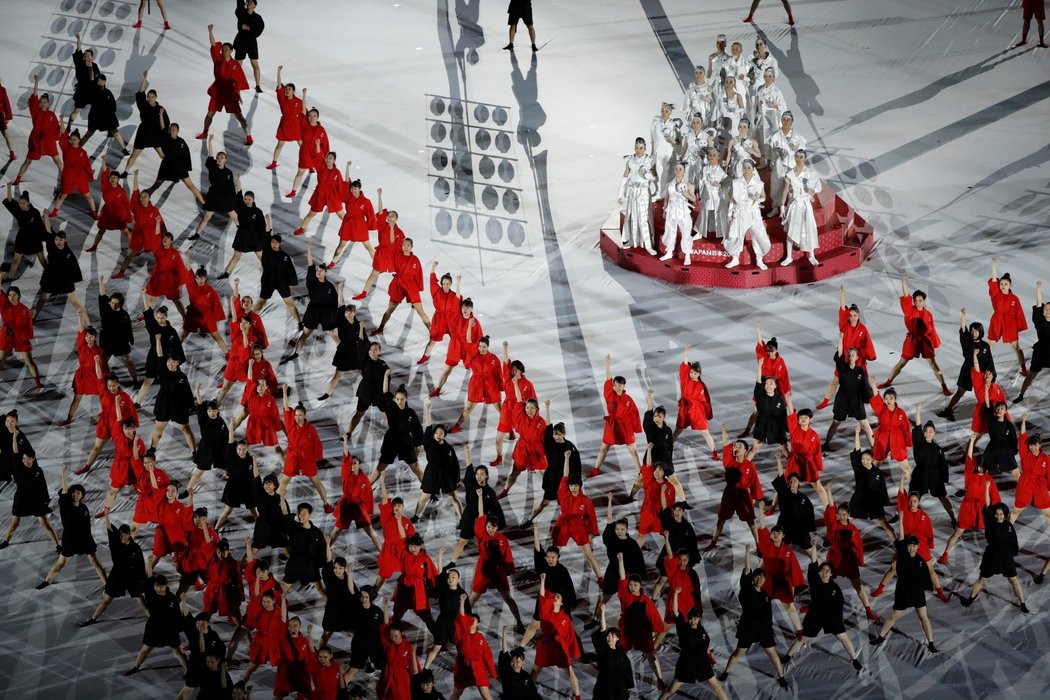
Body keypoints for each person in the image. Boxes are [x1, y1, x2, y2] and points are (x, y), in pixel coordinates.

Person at [717, 544, 788, 688]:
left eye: (762, 577)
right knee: (738, 653)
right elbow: (747, 569)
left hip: (764, 630)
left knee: (773, 654)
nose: (760, 578)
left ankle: (781, 677)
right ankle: (726, 672)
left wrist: (769, 629)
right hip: (748, 629)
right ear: (753, 578)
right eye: (757, 576)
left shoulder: (766, 595)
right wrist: (747, 552)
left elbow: (768, 614)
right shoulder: (747, 589)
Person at [780, 556, 863, 671]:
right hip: (815, 617)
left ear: (831, 574)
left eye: (827, 571)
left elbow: (839, 605)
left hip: (832, 618)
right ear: (819, 572)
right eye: (822, 570)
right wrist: (813, 549)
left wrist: (837, 621)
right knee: (802, 639)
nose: (824, 573)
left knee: (844, 638)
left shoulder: (835, 587)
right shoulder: (814, 582)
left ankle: (854, 659)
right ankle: (788, 656)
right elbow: (813, 564)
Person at [36, 465, 107, 589]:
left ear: (82, 495)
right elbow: (64, 489)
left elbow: (87, 526)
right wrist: (62, 472)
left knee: (95, 562)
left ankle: (107, 585)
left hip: (85, 539)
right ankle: (48, 580)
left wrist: (90, 540)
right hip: (70, 539)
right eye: (73, 492)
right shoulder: (65, 504)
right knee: (61, 562)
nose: (75, 494)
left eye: (78, 493)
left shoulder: (84, 508)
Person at [879, 276, 951, 393]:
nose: (918, 302)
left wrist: (934, 343)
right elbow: (906, 296)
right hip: (912, 340)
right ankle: (888, 381)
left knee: (933, 364)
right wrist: (903, 282)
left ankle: (944, 386)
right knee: (901, 363)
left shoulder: (928, 314)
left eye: (920, 300)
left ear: (924, 301)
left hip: (925, 340)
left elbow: (932, 330)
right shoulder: (910, 310)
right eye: (916, 301)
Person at [871, 531, 940, 653]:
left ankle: (931, 643)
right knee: (893, 617)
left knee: (924, 618)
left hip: (917, 593)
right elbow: (901, 539)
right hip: (903, 593)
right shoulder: (902, 555)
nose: (912, 548)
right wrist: (901, 520)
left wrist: (926, 588)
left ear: (918, 547)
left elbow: (925, 577)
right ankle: (881, 637)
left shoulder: (921, 561)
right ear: (906, 546)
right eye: (909, 545)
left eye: (914, 546)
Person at [823, 484, 882, 623]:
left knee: (859, 586)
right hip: (835, 559)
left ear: (849, 516)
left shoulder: (853, 529)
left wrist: (858, 561)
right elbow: (831, 507)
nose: (842, 516)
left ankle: (868, 610)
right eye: (840, 514)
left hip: (848, 561)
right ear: (837, 515)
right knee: (824, 583)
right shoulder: (834, 524)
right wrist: (829, 491)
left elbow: (858, 547)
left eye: (845, 514)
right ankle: (815, 605)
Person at [79, 510, 148, 625]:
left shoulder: (135, 548)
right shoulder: (115, 542)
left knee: (139, 597)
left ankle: (150, 617)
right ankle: (93, 618)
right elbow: (109, 526)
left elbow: (141, 564)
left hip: (132, 576)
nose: (122, 537)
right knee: (107, 599)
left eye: (124, 535)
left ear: (129, 534)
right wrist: (106, 515)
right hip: (117, 575)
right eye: (120, 534)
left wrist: (142, 579)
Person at [959, 502, 1029, 613]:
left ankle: (1023, 604)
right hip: (992, 557)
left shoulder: (1009, 525)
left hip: (1006, 557)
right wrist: (987, 488)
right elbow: (987, 506)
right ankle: (970, 599)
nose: (999, 516)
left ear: (1005, 514)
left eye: (1001, 514)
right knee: (981, 579)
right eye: (997, 514)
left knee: (1014, 581)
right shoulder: (990, 523)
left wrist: (1012, 553)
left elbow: (1013, 540)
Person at [657, 593, 726, 700]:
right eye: (691, 618)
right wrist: (675, 595)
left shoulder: (701, 629)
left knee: (717, 687)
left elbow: (706, 643)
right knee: (670, 690)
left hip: (702, 663)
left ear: (699, 619)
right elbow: (676, 612)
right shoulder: (683, 627)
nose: (692, 621)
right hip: (686, 665)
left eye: (695, 619)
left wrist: (709, 656)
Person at [526, 574, 582, 700]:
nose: (555, 597)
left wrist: (571, 651)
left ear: (562, 602)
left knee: (571, 673)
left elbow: (570, 636)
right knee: (535, 670)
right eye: (554, 596)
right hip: (545, 646)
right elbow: (541, 598)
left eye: (558, 596)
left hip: (560, 648)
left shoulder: (565, 618)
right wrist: (542, 581)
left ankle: (578, 697)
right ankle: (527, 691)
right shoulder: (545, 612)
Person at [706, 426, 762, 550]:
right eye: (735, 446)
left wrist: (755, 498)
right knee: (721, 520)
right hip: (729, 494)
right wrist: (724, 431)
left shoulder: (750, 466)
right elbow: (726, 445)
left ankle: (759, 546)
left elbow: (754, 482)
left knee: (751, 523)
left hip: (743, 496)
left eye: (739, 447)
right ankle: (713, 543)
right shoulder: (729, 462)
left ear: (746, 451)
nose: (736, 448)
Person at [124, 575, 189, 677]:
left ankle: (189, 672)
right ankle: (136, 667)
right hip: (154, 628)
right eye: (156, 586)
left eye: (161, 586)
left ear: (165, 586)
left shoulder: (171, 598)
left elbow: (177, 614)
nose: (158, 589)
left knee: (179, 652)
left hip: (170, 629)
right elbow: (148, 581)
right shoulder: (150, 594)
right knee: (145, 650)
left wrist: (178, 626)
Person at [197, 24, 252, 143]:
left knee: (240, 117)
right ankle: (205, 132)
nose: (225, 50)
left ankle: (249, 137)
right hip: (218, 91)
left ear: (231, 51)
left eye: (227, 49)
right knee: (209, 114)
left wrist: (238, 94)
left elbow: (238, 81)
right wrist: (210, 31)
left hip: (230, 93)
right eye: (223, 49)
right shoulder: (218, 59)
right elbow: (213, 44)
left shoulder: (235, 65)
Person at [279, 389, 333, 511]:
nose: (297, 417)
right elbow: (286, 407)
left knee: (316, 481)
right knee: (284, 482)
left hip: (306, 457)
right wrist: (283, 391)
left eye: (300, 415)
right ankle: (274, 505)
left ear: (305, 416)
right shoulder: (290, 424)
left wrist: (315, 458)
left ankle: (326, 505)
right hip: (293, 455)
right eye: (296, 415)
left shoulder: (311, 429)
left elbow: (317, 445)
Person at [470, 513, 525, 630]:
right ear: (485, 526)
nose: (490, 529)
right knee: (474, 597)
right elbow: (480, 518)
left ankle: (519, 622)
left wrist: (509, 570)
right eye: (488, 526)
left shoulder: (502, 539)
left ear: (497, 527)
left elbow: (507, 556)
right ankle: (463, 619)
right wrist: (480, 497)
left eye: (493, 527)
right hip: (483, 569)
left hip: (497, 570)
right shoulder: (481, 535)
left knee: (508, 598)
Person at [590, 354, 643, 476]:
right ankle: (596, 469)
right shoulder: (609, 394)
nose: (617, 387)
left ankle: (640, 472)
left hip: (625, 426)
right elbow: (608, 377)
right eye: (615, 385)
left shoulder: (628, 399)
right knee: (603, 449)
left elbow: (635, 414)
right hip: (612, 425)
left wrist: (635, 428)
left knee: (633, 451)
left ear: (624, 386)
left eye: (620, 385)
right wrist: (607, 363)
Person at [288, 243, 341, 361]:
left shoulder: (329, 286)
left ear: (325, 273)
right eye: (318, 270)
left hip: (327, 313)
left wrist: (333, 315)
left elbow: (335, 302)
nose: (318, 272)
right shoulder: (311, 281)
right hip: (313, 311)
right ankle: (296, 354)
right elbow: (310, 264)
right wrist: (308, 250)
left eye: (321, 271)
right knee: (305, 335)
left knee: (335, 336)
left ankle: (342, 355)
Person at [822, 334, 874, 451]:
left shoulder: (860, 370)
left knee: (865, 425)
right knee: (835, 423)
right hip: (843, 400)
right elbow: (839, 353)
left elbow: (865, 387)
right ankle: (826, 444)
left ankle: (874, 447)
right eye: (849, 355)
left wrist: (872, 398)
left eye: (853, 355)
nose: (850, 357)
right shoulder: (842, 367)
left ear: (857, 357)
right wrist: (841, 338)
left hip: (856, 401)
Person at [329, 436, 382, 549]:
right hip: (346, 506)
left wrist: (368, 511)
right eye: (351, 463)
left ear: (359, 464)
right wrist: (345, 442)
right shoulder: (346, 473)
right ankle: (325, 554)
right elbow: (346, 455)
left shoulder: (364, 480)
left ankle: (383, 554)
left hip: (359, 508)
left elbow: (369, 496)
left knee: (371, 533)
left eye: (355, 463)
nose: (353, 465)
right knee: (335, 532)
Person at [0, 449, 58, 550]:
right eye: (24, 459)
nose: (25, 461)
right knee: (14, 523)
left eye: (28, 459)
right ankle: (6, 541)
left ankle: (58, 546)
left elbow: (43, 485)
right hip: (21, 499)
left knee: (45, 523)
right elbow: (14, 454)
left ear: (33, 459)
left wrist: (46, 500)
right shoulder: (18, 469)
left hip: (35, 499)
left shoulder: (38, 470)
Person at [10, 76, 62, 187]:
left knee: (58, 161)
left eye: (45, 102)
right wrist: (36, 82)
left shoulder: (51, 114)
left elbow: (57, 128)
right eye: (41, 102)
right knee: (27, 161)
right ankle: (17, 179)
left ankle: (66, 179)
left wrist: (57, 135)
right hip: (37, 141)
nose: (43, 104)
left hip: (48, 141)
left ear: (48, 103)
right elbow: (34, 96)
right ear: (39, 103)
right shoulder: (35, 112)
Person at [373, 238, 431, 336]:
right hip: (398, 283)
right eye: (404, 245)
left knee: (420, 311)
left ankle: (431, 331)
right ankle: (381, 327)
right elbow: (389, 258)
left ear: (412, 247)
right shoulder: (397, 255)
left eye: (408, 245)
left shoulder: (415, 260)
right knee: (390, 309)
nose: (406, 247)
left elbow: (419, 274)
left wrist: (418, 289)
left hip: (410, 285)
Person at [909, 405, 956, 526]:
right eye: (926, 431)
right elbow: (918, 426)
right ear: (923, 433)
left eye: (931, 431)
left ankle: (953, 518)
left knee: (943, 498)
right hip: (921, 474)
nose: (928, 433)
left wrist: (944, 479)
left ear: (934, 433)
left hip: (935, 476)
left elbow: (943, 465)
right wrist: (918, 411)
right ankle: (915, 520)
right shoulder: (919, 442)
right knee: (914, 498)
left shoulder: (938, 449)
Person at [112, 173, 164, 279]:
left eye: (145, 197)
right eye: (142, 196)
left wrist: (164, 239)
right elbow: (136, 190)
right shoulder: (137, 206)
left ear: (149, 198)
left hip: (151, 235)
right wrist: (136, 177)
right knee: (129, 254)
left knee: (157, 256)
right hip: (138, 233)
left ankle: (160, 275)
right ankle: (121, 272)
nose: (143, 198)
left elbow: (161, 225)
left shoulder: (154, 211)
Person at [372, 380, 425, 484]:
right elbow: (385, 394)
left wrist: (418, 445)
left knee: (417, 469)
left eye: (401, 399)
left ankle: (430, 492)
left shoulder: (411, 412)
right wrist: (386, 376)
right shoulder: (391, 407)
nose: (399, 401)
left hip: (406, 442)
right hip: (391, 441)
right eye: (397, 399)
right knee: (380, 467)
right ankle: (366, 488)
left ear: (406, 399)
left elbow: (417, 429)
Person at [847, 426, 895, 540]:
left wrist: (884, 502)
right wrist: (857, 433)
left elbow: (883, 489)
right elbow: (857, 450)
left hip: (874, 502)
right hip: (859, 500)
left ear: (873, 459)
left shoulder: (878, 473)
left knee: (884, 524)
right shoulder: (858, 468)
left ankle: (898, 546)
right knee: (846, 521)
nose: (864, 461)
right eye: (863, 459)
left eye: (867, 459)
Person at [416, 403, 462, 519]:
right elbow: (428, 425)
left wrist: (456, 479)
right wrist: (427, 409)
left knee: (454, 497)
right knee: (423, 497)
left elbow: (455, 465)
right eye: (436, 433)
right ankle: (416, 516)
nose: (438, 434)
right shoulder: (429, 443)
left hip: (446, 475)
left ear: (444, 435)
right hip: (432, 474)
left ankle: (461, 519)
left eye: (441, 433)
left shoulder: (449, 448)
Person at [56, 316, 104, 426]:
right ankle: (69, 419)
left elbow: (102, 367)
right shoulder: (82, 345)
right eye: (87, 336)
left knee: (101, 398)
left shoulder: (99, 351)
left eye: (90, 337)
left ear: (95, 338)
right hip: (81, 376)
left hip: (94, 376)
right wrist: (79, 317)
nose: (87, 338)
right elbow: (81, 330)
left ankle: (107, 417)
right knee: (76, 398)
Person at [778, 150, 821, 266]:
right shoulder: (790, 174)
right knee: (791, 230)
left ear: (805, 159)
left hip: (805, 204)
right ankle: (789, 257)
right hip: (794, 205)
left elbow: (817, 188)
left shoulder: (810, 173)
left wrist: (811, 191)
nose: (798, 159)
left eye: (801, 157)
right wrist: (782, 207)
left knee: (809, 228)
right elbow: (785, 191)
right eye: (797, 156)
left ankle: (811, 255)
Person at [191, 138, 239, 240]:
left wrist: (234, 199)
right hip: (214, 197)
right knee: (206, 218)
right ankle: (197, 234)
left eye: (222, 157)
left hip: (226, 198)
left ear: (225, 160)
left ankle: (243, 231)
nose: (219, 159)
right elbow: (210, 155)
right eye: (218, 157)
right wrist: (209, 142)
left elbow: (231, 187)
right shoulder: (212, 167)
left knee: (234, 217)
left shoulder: (228, 172)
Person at [145, 123, 205, 206]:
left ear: (177, 131)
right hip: (166, 166)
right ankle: (145, 198)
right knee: (156, 184)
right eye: (170, 130)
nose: (171, 132)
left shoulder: (181, 142)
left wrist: (187, 167)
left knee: (190, 186)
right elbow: (155, 142)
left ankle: (204, 204)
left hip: (180, 168)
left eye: (173, 130)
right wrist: (160, 153)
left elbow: (187, 155)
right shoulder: (165, 138)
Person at [725, 159, 770, 269]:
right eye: (744, 167)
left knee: (759, 234)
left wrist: (757, 199)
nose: (746, 170)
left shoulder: (759, 183)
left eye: (749, 168)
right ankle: (735, 258)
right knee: (736, 234)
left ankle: (759, 258)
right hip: (740, 212)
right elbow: (732, 199)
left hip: (753, 212)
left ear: (753, 169)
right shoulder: (736, 182)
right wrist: (729, 213)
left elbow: (763, 197)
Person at [123, 71, 170, 175]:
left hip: (156, 135)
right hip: (143, 134)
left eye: (152, 97)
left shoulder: (160, 109)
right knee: (134, 155)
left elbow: (165, 126)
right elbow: (140, 93)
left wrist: (161, 115)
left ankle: (174, 174)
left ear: (156, 97)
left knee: (163, 156)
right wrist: (144, 78)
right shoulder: (144, 105)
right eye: (148, 96)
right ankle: (125, 172)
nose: (150, 98)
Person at [987, 257, 1029, 374]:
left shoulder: (1015, 299)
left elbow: (1019, 313)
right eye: (1001, 284)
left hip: (1009, 323)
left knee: (1016, 347)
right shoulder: (996, 294)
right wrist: (994, 265)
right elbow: (994, 280)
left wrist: (1017, 327)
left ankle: (1024, 368)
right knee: (991, 345)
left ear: (1010, 285)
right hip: (997, 320)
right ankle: (985, 367)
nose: (1003, 286)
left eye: (1006, 284)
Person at [450, 599, 498, 700]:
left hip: (477, 667)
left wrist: (492, 672)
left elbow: (487, 656)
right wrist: (462, 602)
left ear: (478, 624)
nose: (471, 621)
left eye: (473, 620)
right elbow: (461, 618)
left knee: (486, 695)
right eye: (470, 620)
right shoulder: (462, 635)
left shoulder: (481, 638)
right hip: (463, 668)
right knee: (456, 694)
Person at [149, 354, 196, 453]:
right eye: (169, 361)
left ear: (178, 363)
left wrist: (192, 406)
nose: (170, 364)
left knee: (186, 430)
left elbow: (188, 392)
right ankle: (152, 448)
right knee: (158, 431)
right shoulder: (162, 372)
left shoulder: (183, 376)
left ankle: (194, 452)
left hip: (179, 406)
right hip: (164, 406)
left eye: (173, 362)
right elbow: (167, 385)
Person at [3, 186, 50, 283]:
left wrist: (45, 237)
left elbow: (40, 226)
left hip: (35, 237)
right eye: (20, 203)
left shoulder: (35, 212)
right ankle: (10, 277)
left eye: (23, 203)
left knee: (42, 259)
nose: (21, 205)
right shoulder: (18, 210)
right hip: (22, 237)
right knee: (16, 260)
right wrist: (8, 187)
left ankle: (51, 275)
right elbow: (10, 201)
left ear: (28, 203)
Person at [617, 137, 657, 253]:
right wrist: (620, 194)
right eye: (636, 148)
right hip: (632, 192)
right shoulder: (630, 161)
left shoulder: (650, 160)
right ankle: (631, 240)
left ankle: (648, 244)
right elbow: (625, 177)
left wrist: (646, 175)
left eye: (641, 148)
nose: (638, 150)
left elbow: (655, 177)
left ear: (645, 148)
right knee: (631, 216)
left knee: (643, 218)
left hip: (643, 192)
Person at [253, 234, 302, 326]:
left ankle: (299, 323)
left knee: (289, 303)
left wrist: (292, 283)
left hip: (282, 282)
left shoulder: (285, 256)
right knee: (261, 302)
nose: (274, 244)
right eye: (272, 242)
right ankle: (249, 320)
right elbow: (265, 236)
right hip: (268, 281)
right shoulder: (266, 252)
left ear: (280, 244)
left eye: (276, 242)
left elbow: (290, 270)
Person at [1010, 415, 1050, 525]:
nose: (1032, 448)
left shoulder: (1046, 458)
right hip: (1025, 483)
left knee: (1048, 513)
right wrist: (1023, 421)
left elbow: (1049, 475)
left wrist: (1048, 488)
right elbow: (1023, 436)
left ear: (1039, 445)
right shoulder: (1025, 454)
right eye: (1031, 445)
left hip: (1040, 486)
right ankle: (1008, 527)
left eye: (1035, 445)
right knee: (1016, 510)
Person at [293, 152, 346, 236]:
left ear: (334, 160)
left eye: (330, 158)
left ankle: (350, 228)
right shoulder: (321, 167)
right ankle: (302, 228)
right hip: (320, 194)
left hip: (332, 195)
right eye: (327, 158)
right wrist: (317, 146)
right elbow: (317, 156)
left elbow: (340, 186)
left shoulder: (337, 172)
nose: (328, 160)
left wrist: (342, 199)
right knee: (311, 213)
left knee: (341, 215)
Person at [282, 503, 329, 596]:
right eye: (300, 513)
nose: (301, 516)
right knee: (284, 588)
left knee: (320, 589)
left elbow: (321, 550)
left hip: (310, 566)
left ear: (309, 515)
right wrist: (281, 496)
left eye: (304, 513)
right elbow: (285, 514)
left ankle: (333, 608)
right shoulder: (294, 527)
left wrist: (320, 564)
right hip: (295, 564)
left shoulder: (316, 532)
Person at [49, 130, 97, 219]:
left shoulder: (83, 152)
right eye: (71, 139)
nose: (73, 141)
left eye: (75, 139)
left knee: (88, 195)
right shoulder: (66, 148)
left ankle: (94, 212)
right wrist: (62, 120)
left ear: (79, 140)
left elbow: (87, 165)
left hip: (80, 177)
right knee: (62, 195)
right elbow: (63, 135)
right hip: (69, 176)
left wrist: (89, 176)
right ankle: (55, 212)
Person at [87, 164, 133, 253]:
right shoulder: (105, 186)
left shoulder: (121, 191)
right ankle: (94, 246)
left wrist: (128, 218)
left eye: (115, 177)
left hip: (118, 214)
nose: (113, 179)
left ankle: (134, 249)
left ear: (118, 179)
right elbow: (104, 173)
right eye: (111, 177)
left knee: (126, 231)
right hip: (107, 213)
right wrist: (103, 161)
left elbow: (127, 205)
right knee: (101, 231)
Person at [221, 194, 270, 279]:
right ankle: (227, 273)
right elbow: (237, 196)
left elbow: (262, 226)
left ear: (253, 199)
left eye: (249, 199)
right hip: (242, 236)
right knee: (236, 255)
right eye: (245, 199)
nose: (247, 201)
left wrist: (264, 238)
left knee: (261, 256)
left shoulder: (258, 212)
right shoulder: (241, 209)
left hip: (254, 237)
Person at [765, 112, 805, 216]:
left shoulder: (797, 137)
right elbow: (770, 150)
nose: (786, 122)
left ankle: (791, 209)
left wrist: (795, 149)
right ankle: (775, 208)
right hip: (778, 166)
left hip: (792, 166)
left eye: (788, 120)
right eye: (784, 119)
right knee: (776, 187)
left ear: (792, 121)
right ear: (781, 121)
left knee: (792, 187)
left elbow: (803, 153)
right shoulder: (775, 135)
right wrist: (769, 162)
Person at [593, 603, 635, 700]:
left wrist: (627, 684)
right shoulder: (603, 649)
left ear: (617, 639)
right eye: (608, 636)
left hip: (619, 687)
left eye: (613, 636)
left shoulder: (620, 651)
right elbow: (603, 629)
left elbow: (627, 666)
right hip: (605, 686)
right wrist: (603, 612)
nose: (610, 638)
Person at [657, 161, 696, 265]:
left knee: (686, 231)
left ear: (684, 171)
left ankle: (687, 255)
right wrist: (665, 209)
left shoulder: (688, 184)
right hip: (671, 210)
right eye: (676, 169)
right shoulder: (670, 184)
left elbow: (694, 198)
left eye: (680, 169)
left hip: (683, 211)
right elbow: (667, 197)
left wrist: (685, 194)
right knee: (670, 230)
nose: (678, 171)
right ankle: (669, 251)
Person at [285, 104, 328, 197]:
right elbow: (297, 133)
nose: (311, 118)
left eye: (314, 116)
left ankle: (323, 193)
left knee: (322, 175)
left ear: (318, 117)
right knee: (300, 172)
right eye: (310, 116)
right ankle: (293, 191)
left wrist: (325, 157)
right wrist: (300, 142)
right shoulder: (304, 125)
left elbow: (325, 144)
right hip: (305, 153)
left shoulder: (321, 130)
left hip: (317, 155)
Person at [1016, 280, 1048, 401]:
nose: (1048, 310)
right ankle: (1021, 395)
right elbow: (1039, 306)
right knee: (1031, 376)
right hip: (1040, 353)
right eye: (1047, 308)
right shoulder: (1040, 321)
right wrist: (1038, 289)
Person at [751, 360, 789, 462]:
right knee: (753, 449)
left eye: (771, 383)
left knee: (785, 450)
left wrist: (787, 428)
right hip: (761, 426)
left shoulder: (780, 399)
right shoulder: (759, 395)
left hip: (777, 427)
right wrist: (759, 366)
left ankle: (794, 467)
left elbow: (784, 415)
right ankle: (741, 468)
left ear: (775, 386)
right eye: (767, 383)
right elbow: (758, 380)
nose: (768, 385)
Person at [266, 66, 303, 170]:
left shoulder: (298, 102)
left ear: (293, 91)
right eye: (286, 89)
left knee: (301, 144)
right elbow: (279, 86)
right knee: (280, 144)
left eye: (289, 89)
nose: (286, 91)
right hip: (285, 123)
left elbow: (304, 113)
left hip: (295, 124)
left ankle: (309, 165)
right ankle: (274, 162)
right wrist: (278, 72)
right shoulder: (282, 98)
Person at [81, 74, 128, 153]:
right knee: (89, 133)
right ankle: (78, 147)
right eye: (100, 80)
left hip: (108, 116)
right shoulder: (93, 91)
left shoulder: (107, 92)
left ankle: (124, 149)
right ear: (98, 81)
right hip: (95, 116)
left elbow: (113, 104)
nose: (101, 82)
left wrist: (112, 113)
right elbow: (89, 99)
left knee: (115, 131)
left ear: (105, 82)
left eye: (103, 81)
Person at [497, 626, 540, 700]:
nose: (515, 664)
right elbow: (505, 652)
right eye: (512, 662)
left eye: (517, 662)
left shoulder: (525, 676)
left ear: (523, 662)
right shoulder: (507, 671)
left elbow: (533, 692)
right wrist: (504, 634)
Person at [233, 0, 265, 92]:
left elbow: (259, 30)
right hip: (241, 40)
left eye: (251, 2)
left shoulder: (258, 17)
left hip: (251, 42)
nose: (248, 3)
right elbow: (239, 5)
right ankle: (236, 83)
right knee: (238, 64)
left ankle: (258, 85)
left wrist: (249, 28)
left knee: (254, 63)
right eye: (247, 2)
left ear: (255, 5)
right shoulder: (241, 12)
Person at [0, 78, 15, 162]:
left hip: (0, 115)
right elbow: (6, 102)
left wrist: (7, 116)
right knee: (6, 134)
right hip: (1, 114)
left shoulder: (2, 89)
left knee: (6, 134)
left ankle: (12, 153)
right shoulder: (2, 89)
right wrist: (7, 116)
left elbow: (6, 102)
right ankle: (12, 153)